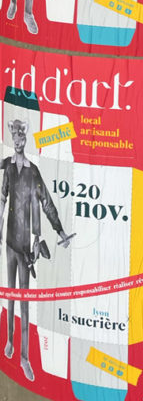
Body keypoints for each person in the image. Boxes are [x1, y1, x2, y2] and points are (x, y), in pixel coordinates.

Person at [0, 119, 74, 382]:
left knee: (24, 302)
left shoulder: (33, 172)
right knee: (9, 296)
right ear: (12, 139)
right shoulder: (8, 167)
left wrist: (60, 231)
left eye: (22, 137)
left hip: (25, 247)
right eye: (15, 136)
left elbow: (47, 203)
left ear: (26, 139)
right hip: (9, 242)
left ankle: (24, 358)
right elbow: (2, 198)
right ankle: (9, 341)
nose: (18, 140)